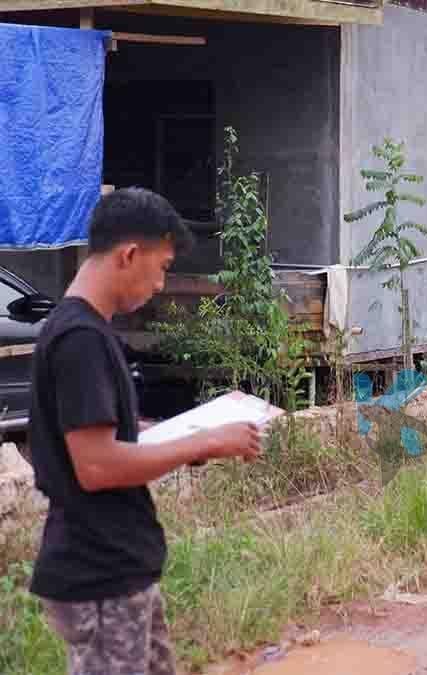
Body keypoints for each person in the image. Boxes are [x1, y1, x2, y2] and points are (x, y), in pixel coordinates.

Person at [27, 187, 264, 675]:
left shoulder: (87, 332)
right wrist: (207, 440)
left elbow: (111, 436)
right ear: (130, 254)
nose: (161, 284)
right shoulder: (80, 339)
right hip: (99, 572)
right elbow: (96, 465)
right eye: (162, 267)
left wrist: (185, 434)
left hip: (119, 567)